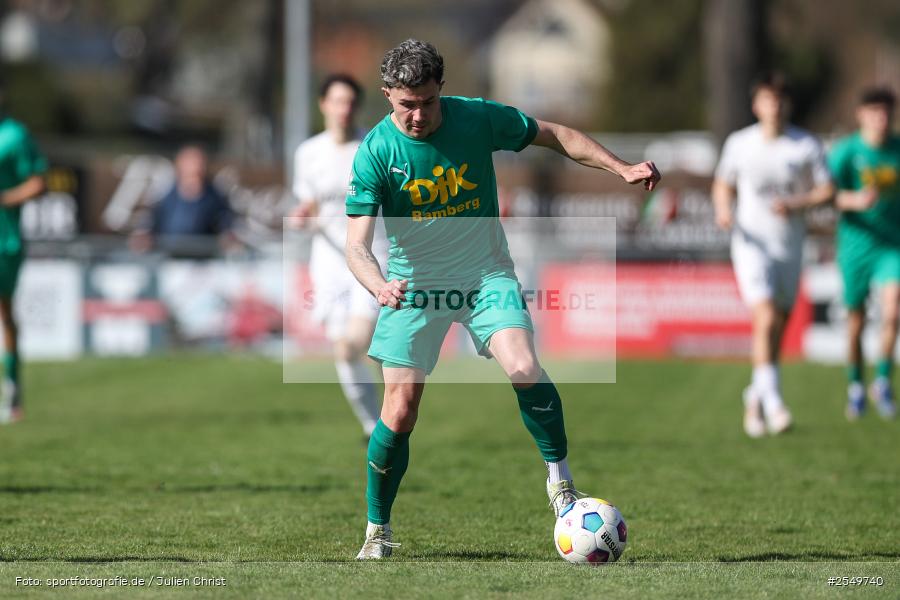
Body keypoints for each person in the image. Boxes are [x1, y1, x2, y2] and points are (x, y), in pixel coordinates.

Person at [344, 39, 660, 559]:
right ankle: (378, 529)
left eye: (427, 101)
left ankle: (560, 484)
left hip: (484, 273)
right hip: (415, 285)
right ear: (386, 96)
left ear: (440, 90)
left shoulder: (478, 118)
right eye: (406, 104)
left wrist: (620, 168)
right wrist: (378, 285)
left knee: (524, 366)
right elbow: (356, 245)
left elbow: (555, 135)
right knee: (399, 414)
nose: (419, 114)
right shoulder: (377, 151)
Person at [711, 72, 834, 437]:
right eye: (768, 100)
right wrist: (722, 209)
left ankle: (756, 394)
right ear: (756, 105)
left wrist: (797, 203)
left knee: (777, 323)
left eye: (780, 100)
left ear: (788, 105)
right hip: (751, 243)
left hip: (789, 244)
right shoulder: (740, 143)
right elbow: (723, 183)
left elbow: (827, 190)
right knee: (764, 316)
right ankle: (776, 401)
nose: (774, 107)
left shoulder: (805, 145)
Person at [291, 74, 388, 438]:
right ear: (323, 105)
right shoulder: (308, 153)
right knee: (345, 350)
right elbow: (310, 203)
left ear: (357, 107)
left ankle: (391, 421)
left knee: (362, 343)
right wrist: (303, 215)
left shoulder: (372, 146)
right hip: (328, 264)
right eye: (337, 101)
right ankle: (373, 427)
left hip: (370, 259)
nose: (343, 109)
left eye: (350, 102)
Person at [829, 86, 900, 421]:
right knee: (855, 321)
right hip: (856, 246)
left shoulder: (897, 151)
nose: (881, 119)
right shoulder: (846, 152)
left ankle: (883, 380)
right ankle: (856, 385)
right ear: (861, 115)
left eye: (886, 112)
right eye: (874, 112)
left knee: (892, 310)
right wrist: (853, 200)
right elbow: (825, 194)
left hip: (891, 245)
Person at [0, 101, 48, 424]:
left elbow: (37, 183)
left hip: (4, 241)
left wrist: (3, 198)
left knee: (4, 312)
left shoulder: (14, 135)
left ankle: (11, 387)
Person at [130, 144, 237, 257]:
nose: (196, 166)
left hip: (203, 261)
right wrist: (144, 236)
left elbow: (224, 223)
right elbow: (150, 222)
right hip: (168, 259)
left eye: (199, 162)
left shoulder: (215, 197)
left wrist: (227, 236)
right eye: (191, 162)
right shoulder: (164, 195)